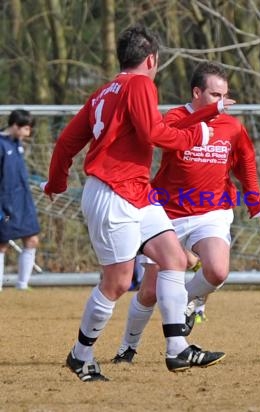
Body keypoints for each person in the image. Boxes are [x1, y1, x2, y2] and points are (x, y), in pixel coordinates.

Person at [42, 24, 226, 382]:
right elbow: (154, 133)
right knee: (116, 282)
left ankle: (177, 349)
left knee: (173, 258)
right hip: (114, 192)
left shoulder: (103, 92)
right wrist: (197, 133)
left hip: (135, 191)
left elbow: (66, 141)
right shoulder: (141, 84)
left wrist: (57, 181)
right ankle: (80, 355)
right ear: (152, 59)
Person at [112, 61, 260, 363]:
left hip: (212, 211)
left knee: (218, 270)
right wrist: (207, 116)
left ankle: (183, 302)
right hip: (167, 213)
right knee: (149, 292)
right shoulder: (175, 118)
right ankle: (127, 348)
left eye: (225, 95)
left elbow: (245, 162)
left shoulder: (233, 126)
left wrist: (255, 202)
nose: (222, 102)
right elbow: (161, 135)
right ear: (196, 92)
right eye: (214, 95)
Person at [0, 110, 40, 291]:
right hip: (4, 202)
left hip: (23, 201)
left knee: (32, 239)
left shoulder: (18, 144)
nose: (28, 133)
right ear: (14, 125)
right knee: (2, 243)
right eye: (25, 128)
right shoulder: (1, 144)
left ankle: (22, 285)